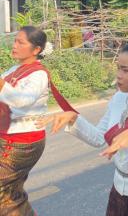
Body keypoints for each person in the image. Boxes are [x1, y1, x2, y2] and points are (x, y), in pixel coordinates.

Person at [36, 42, 128, 216]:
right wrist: (74, 119)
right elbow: (99, 138)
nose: (118, 75)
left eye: (126, 70)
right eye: (118, 68)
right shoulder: (119, 99)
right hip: (120, 191)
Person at [0, 26, 77, 216]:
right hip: (7, 135)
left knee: (5, 191)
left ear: (36, 50)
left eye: (21, 42)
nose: (15, 45)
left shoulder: (39, 74)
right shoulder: (14, 69)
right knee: (11, 193)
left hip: (22, 141)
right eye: (15, 40)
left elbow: (22, 100)